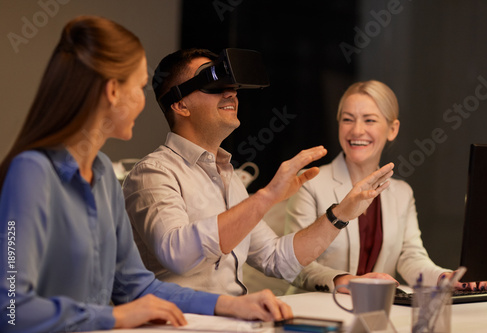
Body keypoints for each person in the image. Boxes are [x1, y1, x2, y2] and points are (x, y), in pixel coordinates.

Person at [0, 17, 295, 333]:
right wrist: (114, 318)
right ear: (113, 91)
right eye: (140, 87)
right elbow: (11, 310)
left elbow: (136, 287)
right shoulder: (32, 172)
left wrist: (230, 305)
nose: (145, 101)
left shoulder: (101, 174)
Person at [122, 48, 395, 296]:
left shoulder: (228, 177)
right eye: (214, 84)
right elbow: (177, 253)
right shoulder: (152, 174)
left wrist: (341, 214)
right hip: (183, 324)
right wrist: (266, 197)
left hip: (233, 322)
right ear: (180, 105)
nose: (231, 93)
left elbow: (276, 259)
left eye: (232, 85)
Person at [284, 80, 487, 293]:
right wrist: (346, 281)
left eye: (369, 120)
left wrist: (444, 278)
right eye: (347, 119)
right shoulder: (310, 181)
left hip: (377, 311)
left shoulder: (402, 193)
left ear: (392, 129)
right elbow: (295, 264)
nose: (357, 130)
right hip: (315, 311)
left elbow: (410, 256)